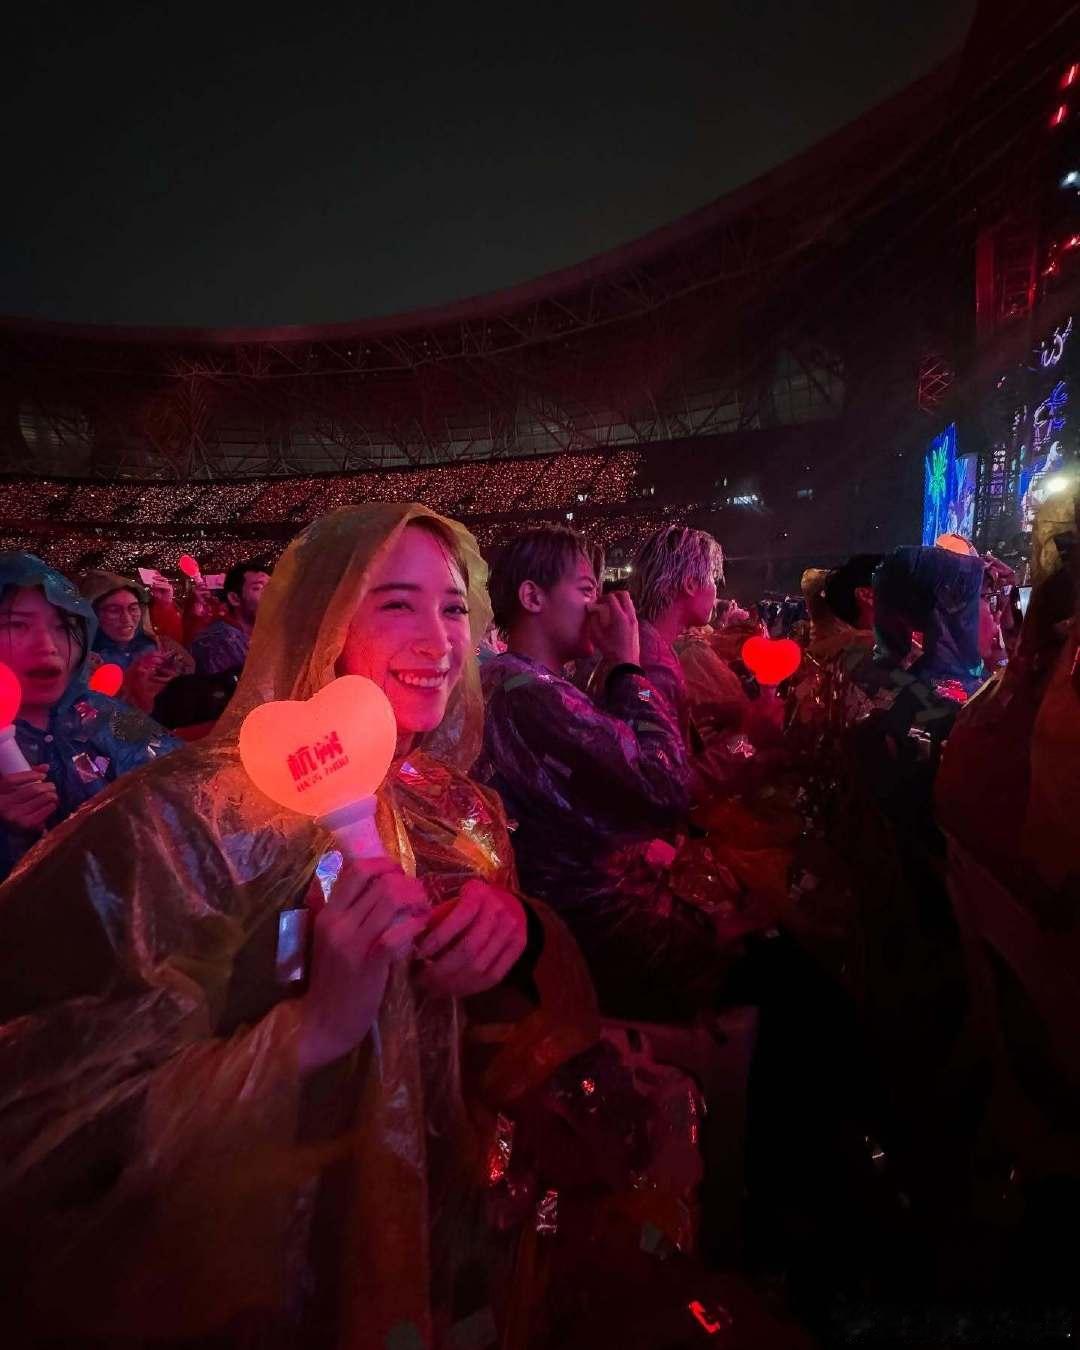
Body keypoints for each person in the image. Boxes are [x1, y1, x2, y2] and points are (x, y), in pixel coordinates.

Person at [0, 506, 698, 1348]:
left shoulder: (455, 802)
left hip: (443, 1232)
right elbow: (55, 1125)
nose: (440, 640)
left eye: (451, 606)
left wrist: (517, 931)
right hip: (282, 1275)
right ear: (319, 622)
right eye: (395, 604)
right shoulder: (192, 821)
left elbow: (472, 1047)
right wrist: (311, 1031)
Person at [480, 525, 746, 1019]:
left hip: (580, 904)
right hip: (596, 921)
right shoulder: (531, 691)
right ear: (532, 597)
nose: (600, 605)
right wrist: (628, 665)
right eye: (585, 590)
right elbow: (664, 786)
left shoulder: (516, 680)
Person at [0, 553, 179, 882]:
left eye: (64, 626)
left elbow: (182, 787)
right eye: (16, 625)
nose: (47, 646)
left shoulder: (103, 711)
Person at [81, 569, 195, 712]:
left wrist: (174, 678)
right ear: (93, 614)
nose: (127, 619)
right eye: (114, 610)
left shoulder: (162, 645)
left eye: (133, 608)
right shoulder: (81, 663)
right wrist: (134, 678)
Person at [190, 557, 271, 675]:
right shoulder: (218, 642)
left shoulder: (267, 635)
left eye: (271, 588)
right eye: (258, 588)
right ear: (234, 599)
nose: (271, 594)